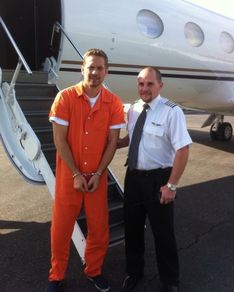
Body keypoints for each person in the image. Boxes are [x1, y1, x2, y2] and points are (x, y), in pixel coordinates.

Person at [45, 48, 125, 292]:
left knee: (99, 229)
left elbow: (113, 141)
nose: (95, 72)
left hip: (97, 178)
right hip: (71, 177)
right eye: (90, 67)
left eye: (100, 68)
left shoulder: (114, 103)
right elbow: (59, 141)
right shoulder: (66, 98)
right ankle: (56, 276)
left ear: (106, 72)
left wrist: (99, 174)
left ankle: (94, 271)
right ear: (82, 69)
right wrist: (76, 174)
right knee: (61, 229)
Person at [118, 67, 192, 292]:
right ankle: (134, 273)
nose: (144, 88)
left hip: (159, 180)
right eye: (141, 84)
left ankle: (170, 281)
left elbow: (183, 149)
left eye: (150, 84)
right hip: (133, 178)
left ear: (160, 85)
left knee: (163, 233)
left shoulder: (172, 111)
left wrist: (171, 185)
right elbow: (134, 135)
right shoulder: (133, 109)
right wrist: (116, 144)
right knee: (132, 230)